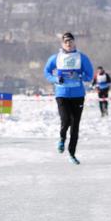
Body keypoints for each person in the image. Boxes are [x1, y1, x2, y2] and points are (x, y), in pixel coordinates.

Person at [43, 32, 94, 165]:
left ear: (74, 42)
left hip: (78, 95)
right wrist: (55, 79)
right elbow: (46, 72)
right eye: (66, 41)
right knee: (66, 119)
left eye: (70, 41)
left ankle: (72, 153)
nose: (68, 44)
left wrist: (80, 77)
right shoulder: (56, 58)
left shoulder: (81, 58)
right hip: (62, 94)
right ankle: (61, 138)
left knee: (75, 125)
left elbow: (89, 75)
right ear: (62, 44)